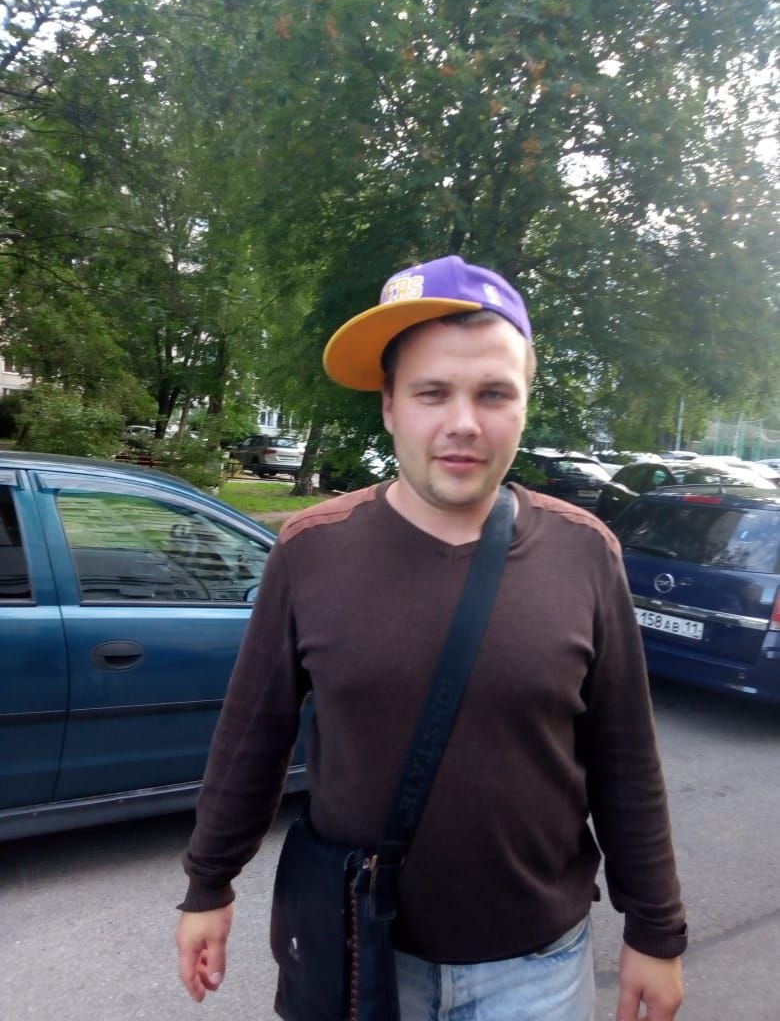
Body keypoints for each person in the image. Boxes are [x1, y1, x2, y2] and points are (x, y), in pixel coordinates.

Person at [175, 254, 687, 1021]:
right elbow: (253, 736)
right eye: (431, 392)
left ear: (523, 405)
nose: (463, 422)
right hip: (359, 960)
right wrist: (207, 886)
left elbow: (626, 760)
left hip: (537, 972)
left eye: (493, 393)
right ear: (389, 407)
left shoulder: (585, 553)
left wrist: (656, 929)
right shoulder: (312, 551)